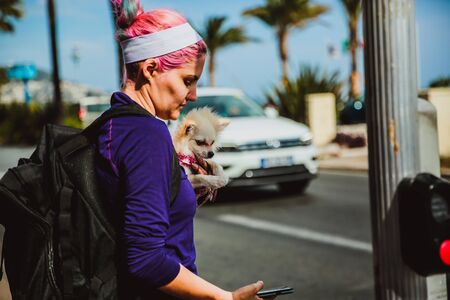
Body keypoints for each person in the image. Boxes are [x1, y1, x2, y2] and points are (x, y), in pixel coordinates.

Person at [95, 1, 270, 299]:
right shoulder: (146, 135)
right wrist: (222, 297)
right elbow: (146, 259)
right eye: (188, 80)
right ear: (151, 69)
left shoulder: (111, 123)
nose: (193, 95)